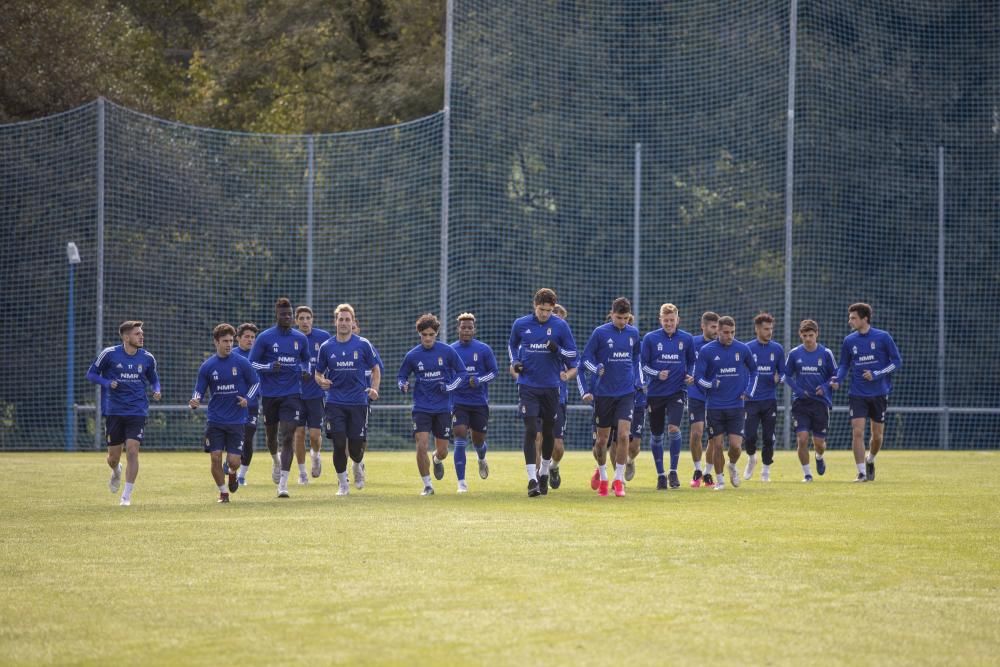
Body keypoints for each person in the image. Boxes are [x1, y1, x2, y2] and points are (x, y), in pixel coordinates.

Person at [508, 288, 578, 497]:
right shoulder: (521, 324)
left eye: (548, 310)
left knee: (549, 433)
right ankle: (531, 479)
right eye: (541, 310)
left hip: (551, 387)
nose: (545, 314)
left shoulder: (560, 325)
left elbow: (572, 354)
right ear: (534, 306)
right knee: (531, 430)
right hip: (528, 385)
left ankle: (545, 471)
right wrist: (515, 362)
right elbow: (512, 346)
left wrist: (557, 349)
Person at [86, 320, 161, 506]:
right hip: (114, 411)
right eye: (137, 333)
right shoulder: (109, 354)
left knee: (133, 450)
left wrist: (156, 389)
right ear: (126, 337)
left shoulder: (147, 358)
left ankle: (126, 497)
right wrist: (106, 383)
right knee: (113, 458)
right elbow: (91, 374)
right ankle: (116, 470)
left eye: (141, 333)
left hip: (137, 411)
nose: (141, 336)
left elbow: (154, 379)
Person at [315, 304, 381, 496]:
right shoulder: (327, 347)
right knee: (338, 444)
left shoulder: (363, 344)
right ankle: (343, 484)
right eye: (340, 319)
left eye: (347, 319)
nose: (344, 323)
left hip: (358, 402)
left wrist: (374, 389)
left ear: (353, 322)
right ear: (335, 322)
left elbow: (375, 369)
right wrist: (321, 381)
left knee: (355, 449)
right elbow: (317, 373)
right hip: (335, 402)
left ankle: (358, 464)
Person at [249, 297, 311, 498]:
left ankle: (283, 484)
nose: (287, 317)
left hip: (292, 394)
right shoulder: (265, 338)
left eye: (289, 314)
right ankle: (276, 461)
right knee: (271, 437)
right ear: (277, 315)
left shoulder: (300, 338)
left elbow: (306, 361)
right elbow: (251, 364)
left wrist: (304, 370)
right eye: (283, 314)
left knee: (288, 435)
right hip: (270, 395)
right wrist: (268, 367)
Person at [189, 324, 259, 502]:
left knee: (234, 461)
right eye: (225, 341)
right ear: (216, 342)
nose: (229, 344)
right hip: (216, 420)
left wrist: (247, 399)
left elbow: (255, 383)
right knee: (215, 457)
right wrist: (195, 399)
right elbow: (199, 389)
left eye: (230, 340)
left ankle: (233, 473)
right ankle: (223, 492)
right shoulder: (207, 366)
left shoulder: (241, 362)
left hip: (237, 420)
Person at [580, 297, 641, 497]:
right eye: (618, 317)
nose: (622, 321)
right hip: (604, 394)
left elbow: (636, 359)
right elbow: (586, 359)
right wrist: (596, 368)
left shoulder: (633, 333)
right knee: (601, 441)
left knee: (624, 436)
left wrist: (638, 381)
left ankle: (618, 481)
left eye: (625, 318)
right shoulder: (600, 333)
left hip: (626, 393)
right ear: (611, 314)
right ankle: (603, 476)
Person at [397, 313, 465, 496]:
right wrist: (403, 385)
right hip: (421, 408)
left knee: (443, 451)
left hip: (443, 408)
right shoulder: (412, 355)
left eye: (431, 334)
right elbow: (402, 376)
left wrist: (449, 386)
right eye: (424, 334)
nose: (427, 338)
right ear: (419, 334)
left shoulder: (447, 351)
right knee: (421, 445)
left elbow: (462, 373)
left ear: (436, 334)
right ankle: (427, 485)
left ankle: (436, 459)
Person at [833, 303, 902, 482]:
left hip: (879, 393)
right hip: (857, 393)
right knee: (857, 432)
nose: (850, 321)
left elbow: (896, 362)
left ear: (865, 319)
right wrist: (837, 379)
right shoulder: (849, 341)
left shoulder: (883, 337)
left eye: (853, 318)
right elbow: (844, 365)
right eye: (850, 318)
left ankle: (870, 459)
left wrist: (877, 374)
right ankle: (862, 472)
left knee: (877, 436)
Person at [694, 315, 757, 491]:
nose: (729, 336)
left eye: (732, 332)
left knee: (736, 447)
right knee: (717, 444)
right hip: (714, 406)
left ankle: (732, 465)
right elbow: (698, 378)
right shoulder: (707, 351)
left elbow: (754, 371)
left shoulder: (742, 349)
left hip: (737, 406)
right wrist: (711, 384)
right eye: (725, 332)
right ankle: (720, 480)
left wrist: (749, 391)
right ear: (718, 332)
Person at [640, 303, 696, 490]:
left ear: (677, 320)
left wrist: (690, 375)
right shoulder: (650, 338)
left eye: (672, 320)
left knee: (674, 428)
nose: (669, 323)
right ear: (660, 320)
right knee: (657, 435)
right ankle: (660, 475)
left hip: (677, 392)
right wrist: (656, 374)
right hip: (655, 393)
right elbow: (643, 365)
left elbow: (692, 362)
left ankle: (673, 471)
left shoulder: (686, 339)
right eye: (666, 320)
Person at [450, 312, 498, 493]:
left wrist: (479, 379)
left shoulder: (484, 349)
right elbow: (447, 374)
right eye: (463, 328)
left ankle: (481, 458)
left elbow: (494, 372)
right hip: (458, 401)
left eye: (470, 328)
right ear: (458, 329)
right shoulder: (451, 350)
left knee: (478, 440)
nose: (467, 330)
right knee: (460, 435)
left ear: (474, 329)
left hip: (479, 402)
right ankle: (461, 483)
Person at [785, 320, 838, 482]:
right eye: (805, 335)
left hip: (820, 403)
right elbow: (786, 375)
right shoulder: (794, 354)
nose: (808, 339)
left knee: (819, 443)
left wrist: (825, 386)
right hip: (801, 403)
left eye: (811, 335)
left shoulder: (826, 353)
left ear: (817, 334)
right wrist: (798, 390)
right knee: (802, 438)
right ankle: (807, 474)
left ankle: (819, 456)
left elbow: (835, 376)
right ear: (800, 335)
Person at [534, 303, 577, 490]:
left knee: (557, 447)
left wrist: (567, 374)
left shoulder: (565, 345)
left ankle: (553, 467)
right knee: (537, 437)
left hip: (558, 398)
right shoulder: (538, 340)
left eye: (559, 319)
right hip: (536, 395)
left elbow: (576, 365)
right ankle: (537, 478)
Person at [743, 312, 786, 482]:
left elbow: (784, 373)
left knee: (769, 437)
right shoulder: (747, 348)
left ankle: (766, 471)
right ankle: (751, 458)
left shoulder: (777, 349)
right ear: (757, 329)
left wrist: (779, 379)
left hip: (769, 400)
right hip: (751, 400)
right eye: (766, 329)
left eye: (771, 329)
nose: (769, 332)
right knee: (750, 436)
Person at [293, 306, 331, 485]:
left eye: (308, 317)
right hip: (295, 394)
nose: (305, 321)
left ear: (312, 319)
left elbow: (332, 359)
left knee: (315, 435)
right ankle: (302, 474)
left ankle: (315, 455)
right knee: (299, 434)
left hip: (316, 394)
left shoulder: (323, 337)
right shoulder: (291, 338)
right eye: (301, 318)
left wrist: (325, 379)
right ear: (296, 321)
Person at [686, 311, 719, 488]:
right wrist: (687, 375)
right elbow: (684, 362)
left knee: (713, 438)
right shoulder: (692, 343)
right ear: (703, 326)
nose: (716, 330)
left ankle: (708, 472)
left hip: (715, 395)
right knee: (696, 432)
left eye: (717, 327)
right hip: (696, 393)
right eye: (713, 327)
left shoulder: (721, 345)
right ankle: (697, 469)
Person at [232, 323, 259, 486]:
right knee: (234, 438)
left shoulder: (259, 355)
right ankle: (231, 466)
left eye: (252, 337)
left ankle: (242, 474)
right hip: (233, 406)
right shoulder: (231, 354)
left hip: (253, 405)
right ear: (238, 339)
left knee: (247, 438)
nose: (250, 340)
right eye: (246, 337)